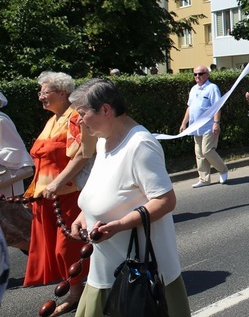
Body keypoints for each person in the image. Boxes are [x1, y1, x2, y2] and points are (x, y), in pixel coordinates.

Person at [68, 78, 190, 316]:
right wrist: (85, 214)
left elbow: (165, 200)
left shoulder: (140, 145)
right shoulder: (104, 141)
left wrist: (121, 224)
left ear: (105, 110)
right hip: (106, 270)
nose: (79, 120)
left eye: (82, 113)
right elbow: (108, 189)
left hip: (138, 277)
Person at [24, 72, 96, 315]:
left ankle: (77, 294)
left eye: (45, 92)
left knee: (66, 248)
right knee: (57, 249)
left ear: (62, 93)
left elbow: (83, 154)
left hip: (68, 193)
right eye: (41, 92)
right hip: (47, 196)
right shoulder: (53, 120)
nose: (40, 96)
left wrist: (57, 183)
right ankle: (78, 287)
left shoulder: (74, 117)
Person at [180, 65, 229, 188]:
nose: (197, 76)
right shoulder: (193, 89)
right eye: (195, 74)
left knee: (207, 151)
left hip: (208, 126)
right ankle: (204, 178)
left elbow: (217, 106)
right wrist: (184, 123)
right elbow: (190, 108)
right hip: (196, 127)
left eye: (200, 74)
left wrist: (216, 123)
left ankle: (223, 170)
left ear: (207, 74)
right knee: (199, 154)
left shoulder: (212, 88)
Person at [0, 93, 34, 254]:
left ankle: (52, 262)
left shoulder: (1, 120)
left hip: (5, 193)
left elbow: (17, 152)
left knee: (21, 235)